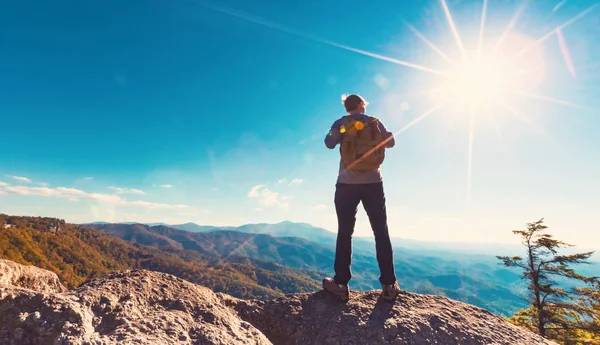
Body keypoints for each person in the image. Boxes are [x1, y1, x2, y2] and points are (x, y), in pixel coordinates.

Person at [322, 94, 400, 301]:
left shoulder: (341, 123)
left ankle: (340, 284)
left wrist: (339, 131)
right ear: (361, 105)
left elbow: (329, 143)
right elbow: (391, 143)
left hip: (347, 184)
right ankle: (389, 285)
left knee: (345, 232)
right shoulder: (375, 122)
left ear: (347, 107)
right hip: (374, 183)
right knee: (380, 231)